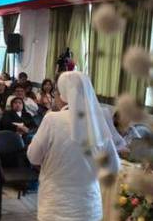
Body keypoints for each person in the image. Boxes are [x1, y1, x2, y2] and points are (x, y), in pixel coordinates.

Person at [27, 71, 121, 221]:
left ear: (64, 95)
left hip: (55, 206)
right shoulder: (99, 122)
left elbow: (33, 157)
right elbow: (114, 167)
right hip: (89, 207)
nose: (55, 96)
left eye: (56, 92)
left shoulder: (52, 120)